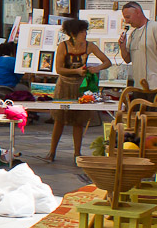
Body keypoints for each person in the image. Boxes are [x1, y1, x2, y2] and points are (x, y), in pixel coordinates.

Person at [45, 18, 113, 162]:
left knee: (79, 120)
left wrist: (96, 68)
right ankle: (52, 152)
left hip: (81, 85)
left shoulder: (90, 46)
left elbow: (107, 62)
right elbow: (59, 69)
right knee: (60, 119)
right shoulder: (63, 46)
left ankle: (77, 152)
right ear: (73, 34)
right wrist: (76, 71)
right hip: (64, 85)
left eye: (85, 31)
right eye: (82, 32)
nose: (85, 34)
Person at [119, 1, 157, 91]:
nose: (127, 21)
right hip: (138, 85)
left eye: (128, 17)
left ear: (138, 12)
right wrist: (122, 47)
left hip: (156, 84)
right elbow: (127, 60)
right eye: (125, 18)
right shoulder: (133, 34)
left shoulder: (156, 27)